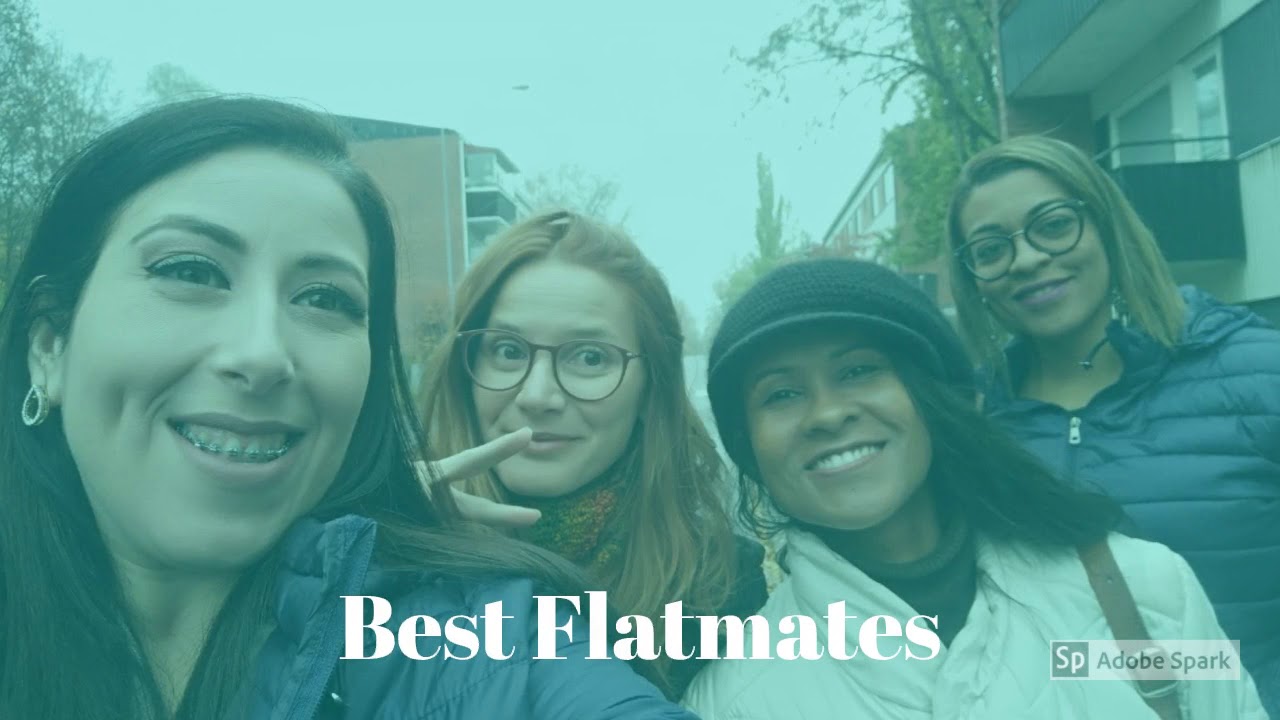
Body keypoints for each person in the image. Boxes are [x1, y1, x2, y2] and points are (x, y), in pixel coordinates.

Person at [0, 95, 699, 720]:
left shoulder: (488, 638)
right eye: (190, 270)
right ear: (48, 342)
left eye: (324, 298)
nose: (262, 353)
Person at [682, 257, 1266, 718]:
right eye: (781, 394)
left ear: (938, 396)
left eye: (859, 370)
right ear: (750, 449)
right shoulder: (729, 701)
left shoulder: (1147, 591)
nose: (828, 413)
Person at [946, 134, 1280, 713]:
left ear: (1107, 225)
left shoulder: (1259, 373)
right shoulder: (969, 426)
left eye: (1054, 225)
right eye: (991, 248)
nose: (1026, 259)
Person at [417, 210, 768, 699]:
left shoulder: (718, 585)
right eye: (508, 351)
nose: (537, 396)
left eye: (589, 357)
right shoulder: (388, 551)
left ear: (650, 390)